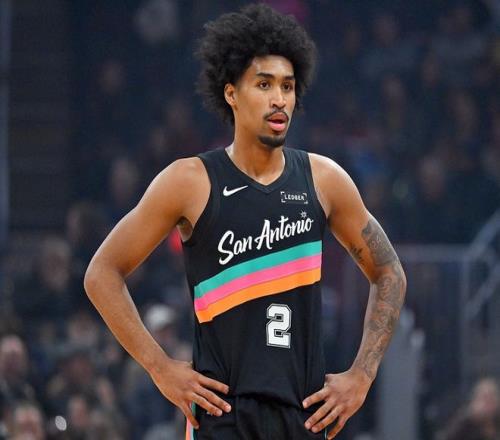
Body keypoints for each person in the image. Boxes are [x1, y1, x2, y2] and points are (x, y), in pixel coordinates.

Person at [84, 4, 407, 439]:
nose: (279, 99)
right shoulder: (189, 181)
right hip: (223, 416)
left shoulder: (325, 180)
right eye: (264, 84)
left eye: (288, 86)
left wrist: (361, 377)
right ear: (231, 93)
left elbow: (389, 272)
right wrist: (159, 367)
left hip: (303, 414)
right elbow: (102, 273)